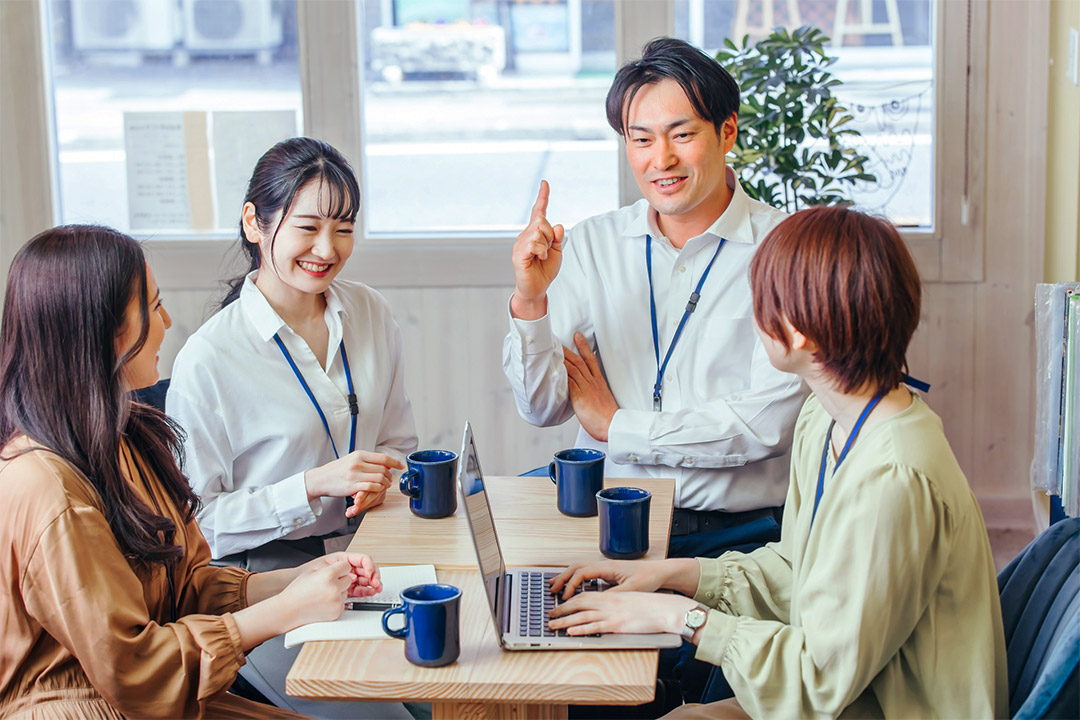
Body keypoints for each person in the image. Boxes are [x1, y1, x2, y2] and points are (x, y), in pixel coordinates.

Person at [547, 206, 1009, 718]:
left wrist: (681, 617)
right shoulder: (826, 417)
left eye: (762, 301)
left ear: (802, 332)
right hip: (849, 692)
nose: (753, 315)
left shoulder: (893, 476)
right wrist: (673, 575)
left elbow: (818, 680)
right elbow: (798, 570)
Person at [0, 225, 384, 719]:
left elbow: (186, 588)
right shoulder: (46, 488)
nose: (167, 320)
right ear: (101, 332)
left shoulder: (128, 438)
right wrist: (286, 610)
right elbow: (137, 671)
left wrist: (297, 580)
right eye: (152, 307)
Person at [503, 38, 806, 562]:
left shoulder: (786, 249)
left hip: (736, 535)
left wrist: (616, 426)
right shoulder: (592, 245)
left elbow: (766, 424)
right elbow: (542, 407)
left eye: (682, 135)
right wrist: (531, 301)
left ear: (726, 131)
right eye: (640, 140)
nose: (660, 160)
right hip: (604, 520)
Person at [166, 137, 418, 718]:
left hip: (369, 557)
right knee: (384, 715)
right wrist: (309, 486)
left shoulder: (372, 313)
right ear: (255, 223)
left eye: (344, 228)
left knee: (459, 676)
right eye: (307, 228)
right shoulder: (209, 358)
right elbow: (195, 526)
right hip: (265, 582)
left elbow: (399, 447)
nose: (326, 250)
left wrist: (384, 478)